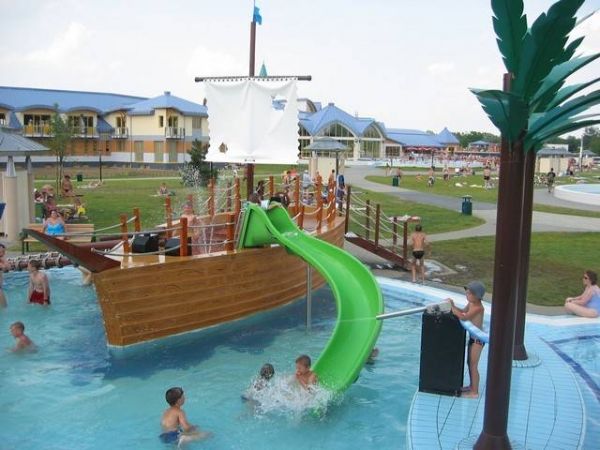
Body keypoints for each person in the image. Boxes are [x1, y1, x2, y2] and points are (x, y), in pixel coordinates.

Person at [448, 281, 486, 399]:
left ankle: (474, 392)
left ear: (477, 296)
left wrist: (452, 308)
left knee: (473, 365)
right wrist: (452, 305)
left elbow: (464, 317)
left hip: (478, 341)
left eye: (469, 293)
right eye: (467, 293)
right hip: (472, 339)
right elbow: (463, 311)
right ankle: (471, 386)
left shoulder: (478, 308)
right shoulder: (471, 304)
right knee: (469, 363)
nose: (466, 295)